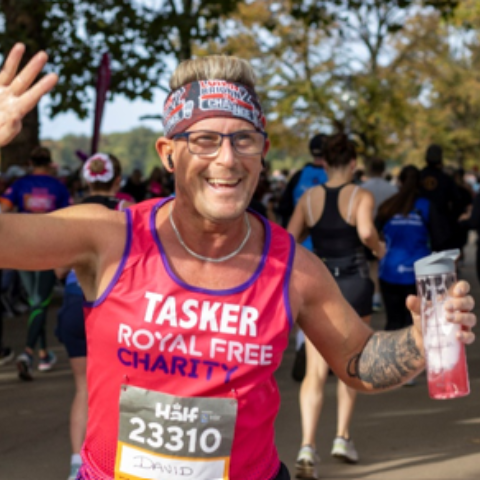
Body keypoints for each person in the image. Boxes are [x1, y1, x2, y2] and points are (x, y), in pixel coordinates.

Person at [0, 43, 476, 480]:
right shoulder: (108, 235)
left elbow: (357, 360)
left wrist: (419, 340)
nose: (227, 159)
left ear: (263, 153)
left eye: (244, 140)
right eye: (204, 140)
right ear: (168, 153)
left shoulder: (293, 268)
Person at [287, 133, 385, 478]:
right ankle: (342, 437)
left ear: (324, 163)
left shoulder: (309, 197)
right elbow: (366, 232)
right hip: (355, 284)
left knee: (314, 372)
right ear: (354, 163)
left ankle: (306, 446)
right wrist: (379, 248)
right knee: (351, 364)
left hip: (319, 285)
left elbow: (289, 237)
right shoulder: (361, 195)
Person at [55, 152, 132, 480]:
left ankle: (77, 464)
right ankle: (114, 462)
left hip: (75, 303)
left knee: (83, 387)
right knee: (123, 388)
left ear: (87, 179)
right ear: (118, 180)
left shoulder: (71, 214)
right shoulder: (126, 211)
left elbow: (58, 269)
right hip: (115, 307)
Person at [0, 144, 71, 380]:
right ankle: (28, 354)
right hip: (49, 248)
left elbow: (3, 209)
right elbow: (69, 217)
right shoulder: (58, 187)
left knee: (35, 302)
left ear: (30, 163)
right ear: (50, 164)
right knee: (39, 303)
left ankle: (43, 354)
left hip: (23, 249)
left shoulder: (19, 185)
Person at [277, 134, 328, 381]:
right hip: (328, 249)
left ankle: (302, 344)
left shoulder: (298, 178)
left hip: (299, 247)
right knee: (326, 303)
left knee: (302, 302)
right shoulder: (333, 178)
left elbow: (283, 209)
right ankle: (321, 352)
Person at [376, 166, 432, 333]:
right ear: (420, 183)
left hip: (390, 272)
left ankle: (394, 359)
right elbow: (441, 237)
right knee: (417, 325)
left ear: (399, 181)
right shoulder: (426, 207)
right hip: (419, 273)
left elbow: (372, 232)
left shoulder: (388, 206)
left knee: (394, 323)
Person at [362, 157, 398, 311]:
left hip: (368, 226)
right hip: (388, 229)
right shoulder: (392, 189)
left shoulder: (362, 188)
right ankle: (386, 295)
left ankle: (375, 295)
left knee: (372, 265)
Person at [419, 144, 459, 251]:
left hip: (420, 223)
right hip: (441, 227)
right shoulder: (445, 179)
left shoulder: (419, 177)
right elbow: (457, 201)